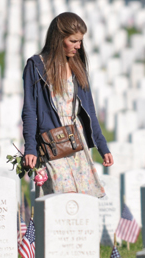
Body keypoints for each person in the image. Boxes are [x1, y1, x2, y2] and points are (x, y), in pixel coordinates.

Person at [21, 12, 113, 197]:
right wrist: (30, 147)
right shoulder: (36, 67)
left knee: (82, 198)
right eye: (73, 41)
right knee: (61, 197)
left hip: (76, 141)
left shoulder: (77, 66)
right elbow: (30, 111)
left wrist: (102, 146)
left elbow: (89, 111)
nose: (78, 46)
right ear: (58, 38)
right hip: (52, 141)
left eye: (80, 41)